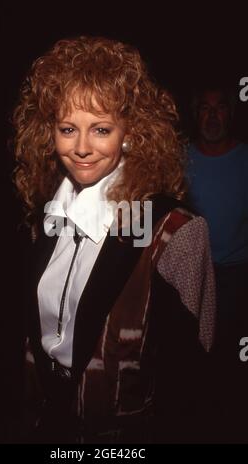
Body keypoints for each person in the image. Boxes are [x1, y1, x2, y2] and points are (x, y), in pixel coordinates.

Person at [12, 36, 216, 444]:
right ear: (48, 132)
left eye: (100, 129)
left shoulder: (172, 231)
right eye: (68, 128)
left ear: (130, 132)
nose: (82, 148)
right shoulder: (46, 217)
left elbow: (194, 379)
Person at [187, 86, 248, 442]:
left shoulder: (245, 160)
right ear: (196, 115)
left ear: (231, 114)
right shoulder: (178, 158)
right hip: (188, 280)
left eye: (220, 108)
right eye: (205, 108)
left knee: (229, 370)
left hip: (236, 280)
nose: (212, 116)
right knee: (191, 367)